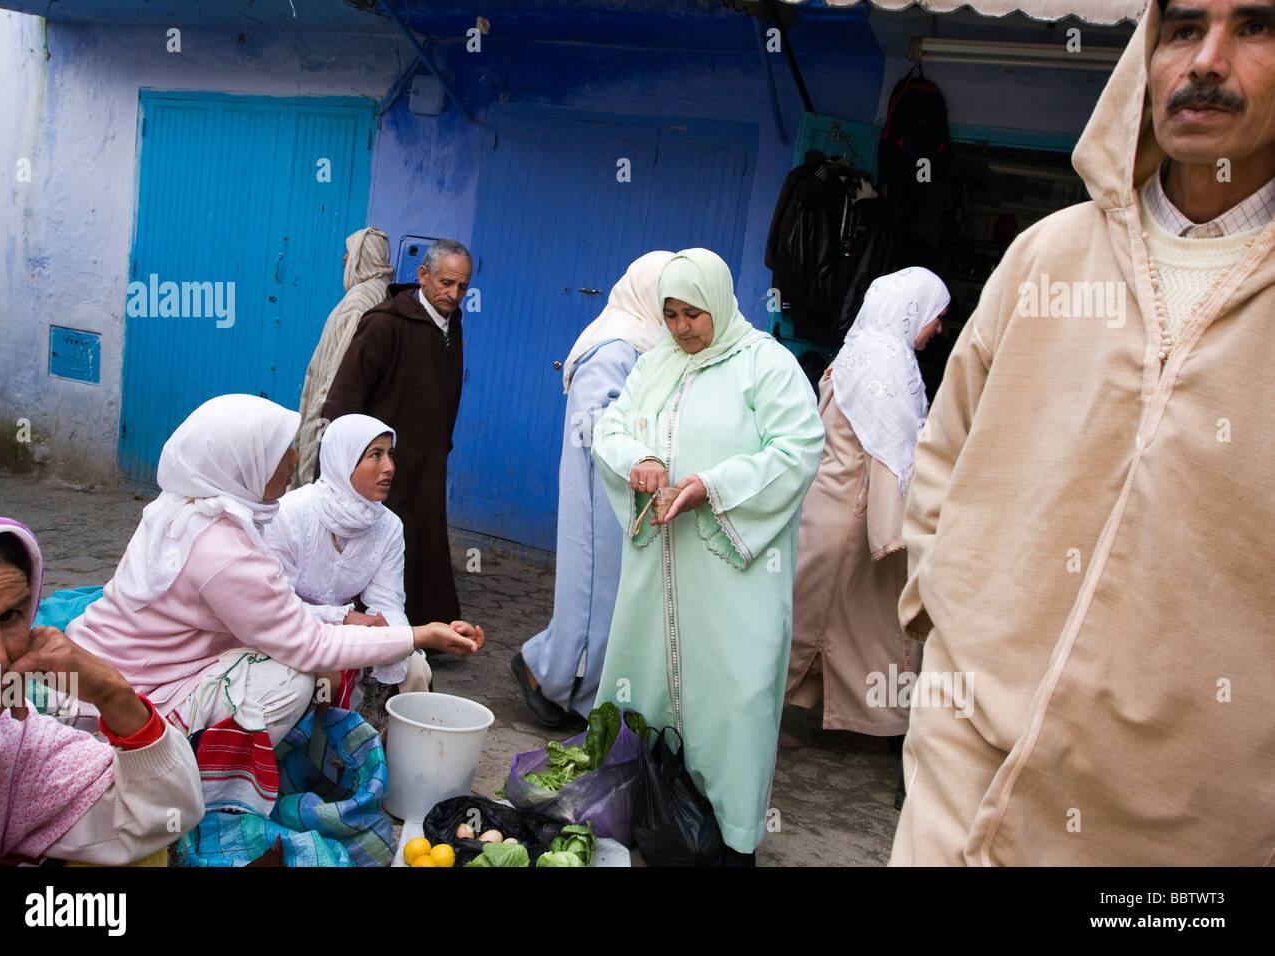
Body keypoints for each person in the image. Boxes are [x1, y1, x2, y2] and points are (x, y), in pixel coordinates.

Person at [891, 0, 1275, 866]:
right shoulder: (1049, 256)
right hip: (963, 783)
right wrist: (940, 625)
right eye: (1182, 28)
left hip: (1191, 838)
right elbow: (944, 447)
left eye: (1254, 26)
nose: (1207, 60)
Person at [67, 394, 482, 747]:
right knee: (289, 682)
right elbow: (307, 643)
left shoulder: (196, 510)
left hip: (112, 669)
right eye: (281, 451)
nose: (297, 460)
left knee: (394, 669)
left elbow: (368, 606)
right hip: (128, 690)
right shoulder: (230, 547)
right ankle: (196, 779)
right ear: (247, 463)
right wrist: (420, 635)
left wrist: (400, 638)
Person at [592, 248, 824, 865]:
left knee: (734, 702)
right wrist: (637, 461)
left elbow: (799, 447)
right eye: (669, 314)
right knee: (645, 691)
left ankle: (726, 842)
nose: (682, 327)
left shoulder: (766, 366)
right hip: (657, 575)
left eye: (693, 313)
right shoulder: (654, 366)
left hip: (732, 577)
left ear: (718, 303)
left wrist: (712, 488)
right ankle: (645, 821)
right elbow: (610, 428)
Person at [0, 510, 204, 866]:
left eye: (9, 617)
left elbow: (164, 814)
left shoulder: (10, 736)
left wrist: (113, 693)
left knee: (144, 853)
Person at [785, 267, 949, 738]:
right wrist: (898, 532)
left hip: (829, 508)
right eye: (936, 315)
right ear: (912, 309)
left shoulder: (859, 350)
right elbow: (890, 456)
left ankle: (831, 708)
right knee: (838, 620)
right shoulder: (885, 364)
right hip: (852, 519)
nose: (938, 328)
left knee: (833, 619)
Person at [515, 250, 673, 726]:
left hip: (625, 488)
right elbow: (594, 425)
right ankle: (559, 682)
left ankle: (562, 677)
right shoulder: (614, 348)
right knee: (593, 594)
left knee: (612, 595)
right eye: (667, 302)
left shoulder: (645, 345)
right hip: (600, 489)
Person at [322, 239, 472, 627]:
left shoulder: (450, 324)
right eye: (445, 283)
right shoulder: (385, 323)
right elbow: (343, 399)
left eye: (462, 287)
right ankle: (370, 625)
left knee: (421, 540)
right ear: (422, 276)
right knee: (375, 540)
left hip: (427, 460)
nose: (453, 294)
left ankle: (423, 626)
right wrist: (350, 461)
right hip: (381, 461)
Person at [267, 413, 436, 707]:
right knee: (319, 680)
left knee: (414, 669)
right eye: (375, 455)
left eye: (390, 454)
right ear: (343, 460)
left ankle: (392, 749)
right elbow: (275, 608)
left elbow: (387, 602)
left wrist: (396, 640)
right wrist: (343, 619)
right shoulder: (290, 514)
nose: (389, 467)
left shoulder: (388, 526)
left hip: (347, 632)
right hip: (288, 629)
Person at [294, 227, 396, 488]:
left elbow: (337, 372)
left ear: (364, 256)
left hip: (332, 410)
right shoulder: (379, 292)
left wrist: (317, 428)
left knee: (315, 483)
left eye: (350, 252)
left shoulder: (360, 300)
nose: (343, 259)